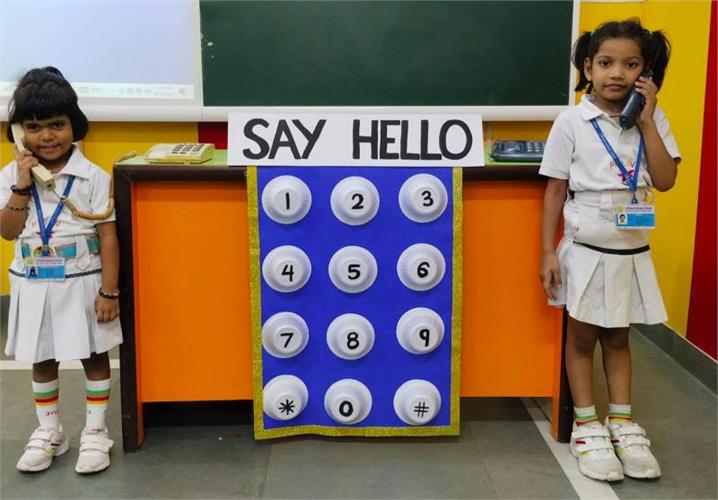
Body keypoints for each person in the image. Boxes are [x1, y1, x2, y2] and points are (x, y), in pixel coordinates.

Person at [539, 19, 679, 482]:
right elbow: (554, 191)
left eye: (631, 64)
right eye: (605, 63)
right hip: (585, 247)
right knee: (582, 337)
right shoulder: (571, 122)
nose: (616, 73)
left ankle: (621, 421)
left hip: (630, 249)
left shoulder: (652, 119)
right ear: (588, 68)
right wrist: (546, 253)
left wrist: (646, 121)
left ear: (646, 72)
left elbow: (665, 180)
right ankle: (586, 425)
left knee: (618, 337)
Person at [0, 67, 122, 474]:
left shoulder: (93, 177)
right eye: (33, 127)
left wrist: (109, 291)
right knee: (41, 357)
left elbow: (108, 236)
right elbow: (7, 231)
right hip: (34, 283)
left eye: (57, 124)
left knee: (93, 354)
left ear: (75, 125)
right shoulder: (10, 177)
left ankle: (95, 430)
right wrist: (21, 184)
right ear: (19, 133)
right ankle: (50, 431)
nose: (47, 136)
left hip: (83, 281)